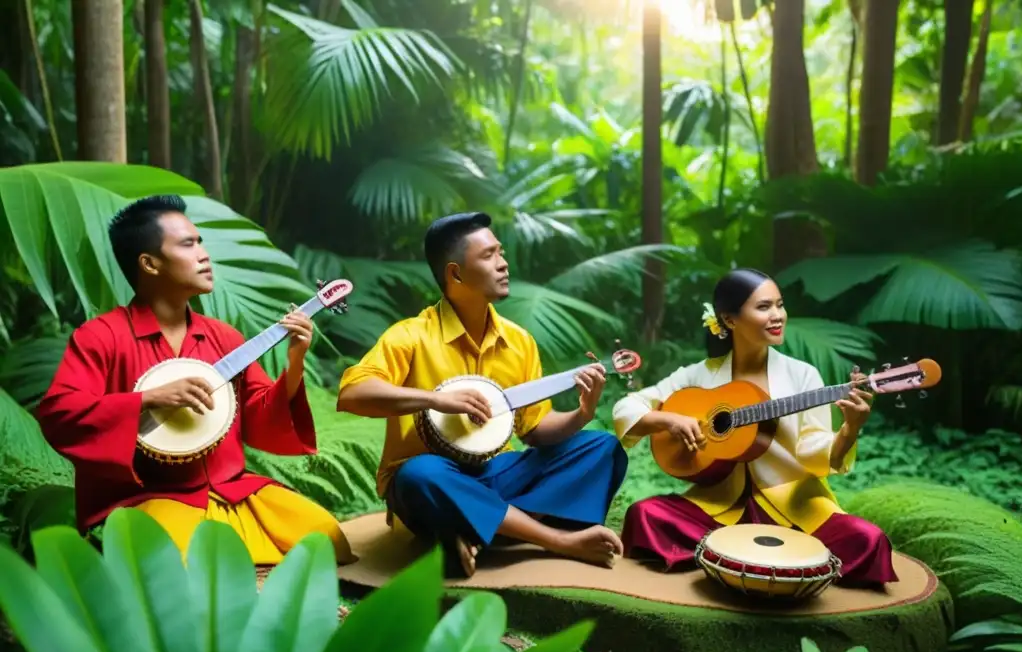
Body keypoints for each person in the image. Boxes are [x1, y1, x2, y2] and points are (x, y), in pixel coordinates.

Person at [36, 194, 354, 566]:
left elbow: (260, 413)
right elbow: (60, 413)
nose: (203, 254)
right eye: (188, 244)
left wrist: (295, 362)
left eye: (201, 242)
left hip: (231, 489)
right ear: (150, 263)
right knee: (172, 562)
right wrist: (149, 399)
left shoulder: (223, 337)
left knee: (327, 539)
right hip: (152, 496)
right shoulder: (101, 337)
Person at [337, 212, 628, 577]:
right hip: (432, 479)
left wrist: (581, 414)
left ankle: (465, 527)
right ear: (456, 274)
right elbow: (353, 392)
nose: (503, 263)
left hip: (494, 471)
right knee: (418, 475)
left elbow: (535, 431)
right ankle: (555, 539)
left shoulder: (518, 341)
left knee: (601, 448)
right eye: (489, 255)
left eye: (501, 252)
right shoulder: (410, 335)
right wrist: (433, 399)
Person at [612, 268, 897, 586]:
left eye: (780, 304)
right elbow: (627, 407)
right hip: (717, 502)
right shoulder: (701, 375)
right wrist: (668, 419)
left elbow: (812, 448)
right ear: (730, 320)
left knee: (869, 541)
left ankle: (727, 555)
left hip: (791, 505)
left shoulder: (802, 376)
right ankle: (767, 559)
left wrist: (850, 430)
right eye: (764, 307)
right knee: (644, 515)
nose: (778, 316)